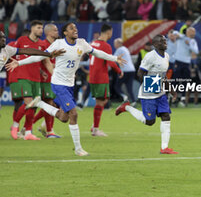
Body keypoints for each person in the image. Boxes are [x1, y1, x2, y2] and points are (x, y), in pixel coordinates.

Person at [6, 22, 126, 156]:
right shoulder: (59, 44)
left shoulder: (82, 43)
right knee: (74, 114)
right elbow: (40, 56)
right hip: (58, 83)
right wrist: (19, 62)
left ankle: (39, 103)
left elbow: (97, 53)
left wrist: (115, 58)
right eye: (71, 28)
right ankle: (78, 149)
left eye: (75, 27)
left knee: (64, 117)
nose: (75, 29)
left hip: (70, 84)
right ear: (65, 33)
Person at [115, 34, 178, 154]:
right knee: (150, 121)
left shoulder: (167, 56)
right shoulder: (150, 56)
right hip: (148, 94)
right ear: (155, 44)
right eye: (161, 41)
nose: (165, 42)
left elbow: (163, 77)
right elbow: (140, 73)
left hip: (161, 94)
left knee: (166, 116)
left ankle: (164, 148)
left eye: (165, 40)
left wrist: (172, 91)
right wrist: (151, 86)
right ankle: (126, 107)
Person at [7, 21, 64, 140]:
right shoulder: (22, 40)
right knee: (29, 102)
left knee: (33, 106)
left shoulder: (42, 44)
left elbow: (47, 62)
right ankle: (15, 125)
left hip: (36, 79)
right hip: (23, 76)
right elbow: (11, 52)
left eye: (42, 28)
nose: (40, 30)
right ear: (32, 29)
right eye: (38, 28)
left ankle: (28, 133)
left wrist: (53, 76)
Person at [89, 24, 122, 136]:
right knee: (101, 101)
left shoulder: (93, 43)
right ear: (109, 32)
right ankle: (95, 129)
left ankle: (94, 125)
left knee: (103, 100)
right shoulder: (105, 46)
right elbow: (110, 61)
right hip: (101, 77)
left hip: (93, 76)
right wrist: (119, 70)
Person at [32, 23, 61, 138]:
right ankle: (49, 131)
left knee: (54, 104)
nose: (57, 32)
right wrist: (41, 72)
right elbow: (36, 61)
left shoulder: (57, 45)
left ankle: (38, 126)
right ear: (48, 32)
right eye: (55, 30)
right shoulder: (43, 45)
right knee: (49, 103)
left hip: (55, 79)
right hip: (45, 80)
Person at [113, 38, 136, 105]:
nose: (114, 45)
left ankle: (124, 97)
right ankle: (133, 101)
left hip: (125, 70)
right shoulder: (125, 49)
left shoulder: (119, 49)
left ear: (118, 44)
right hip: (132, 70)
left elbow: (113, 58)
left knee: (117, 86)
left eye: (115, 43)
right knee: (129, 87)